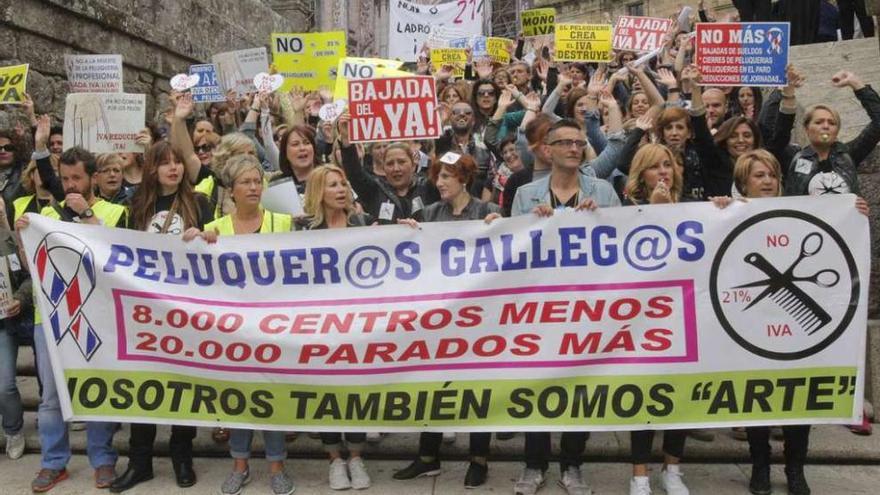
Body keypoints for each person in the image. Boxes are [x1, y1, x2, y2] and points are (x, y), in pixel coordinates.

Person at [712, 149, 864, 495]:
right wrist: (717, 212)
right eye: (758, 176)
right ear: (742, 182)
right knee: (756, 397)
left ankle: (796, 468)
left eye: (771, 175)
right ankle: (760, 465)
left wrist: (853, 216)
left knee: (799, 395)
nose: (767, 181)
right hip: (750, 325)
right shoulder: (729, 216)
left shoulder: (803, 214)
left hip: (796, 332)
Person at [512, 119, 621, 495]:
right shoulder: (526, 195)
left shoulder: (604, 192)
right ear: (547, 149)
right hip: (540, 310)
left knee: (580, 389)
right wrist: (527, 224)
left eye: (580, 143)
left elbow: (623, 244)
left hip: (588, 309)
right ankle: (533, 465)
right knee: (536, 386)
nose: (575, 149)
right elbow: (511, 250)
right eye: (566, 143)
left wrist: (603, 219)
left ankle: (572, 464)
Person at [16, 145, 126, 493]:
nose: (70, 185)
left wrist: (89, 217)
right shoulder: (47, 213)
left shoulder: (115, 211)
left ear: (93, 177)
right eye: (65, 179)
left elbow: (116, 256)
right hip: (48, 316)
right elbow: (29, 262)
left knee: (95, 388)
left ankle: (103, 460)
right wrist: (23, 236)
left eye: (77, 177)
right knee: (50, 395)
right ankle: (53, 463)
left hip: (94, 316)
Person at [109, 141, 214, 492]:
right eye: (165, 163)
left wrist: (204, 236)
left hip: (186, 310)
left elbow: (218, 248)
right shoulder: (134, 206)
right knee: (145, 386)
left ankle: (182, 456)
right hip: (145, 311)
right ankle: (140, 462)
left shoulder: (200, 203)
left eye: (178, 162)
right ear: (151, 169)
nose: (174, 168)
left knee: (183, 386)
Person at [394, 153, 500, 489]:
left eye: (446, 177)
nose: (439, 183)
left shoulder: (485, 213)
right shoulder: (428, 214)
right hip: (438, 320)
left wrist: (503, 227)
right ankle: (428, 457)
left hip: (477, 318)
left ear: (464, 179)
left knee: (477, 388)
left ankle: (479, 459)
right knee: (432, 386)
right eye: (437, 177)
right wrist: (409, 233)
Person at [197, 155, 295, 495]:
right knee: (238, 398)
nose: (254, 188)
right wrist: (194, 241)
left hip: (274, 327)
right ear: (232, 190)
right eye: (246, 183)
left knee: (271, 397)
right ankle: (240, 464)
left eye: (258, 181)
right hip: (233, 330)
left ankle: (277, 465)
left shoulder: (284, 223)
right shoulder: (218, 228)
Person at [296, 165, 372, 490]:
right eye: (332, 185)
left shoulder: (364, 223)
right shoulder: (302, 231)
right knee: (325, 394)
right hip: (319, 327)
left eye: (343, 183)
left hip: (359, 326)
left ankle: (355, 456)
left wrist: (407, 229)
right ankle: (334, 460)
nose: (341, 189)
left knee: (355, 393)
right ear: (317, 192)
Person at [621, 145, 689, 495]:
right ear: (641, 174)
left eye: (668, 165)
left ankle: (672, 469)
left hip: (681, 315)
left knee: (677, 393)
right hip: (640, 319)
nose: (663, 172)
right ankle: (640, 474)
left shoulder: (695, 210)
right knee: (643, 393)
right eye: (654, 167)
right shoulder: (624, 211)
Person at [784, 70, 880, 198]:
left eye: (832, 123)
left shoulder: (848, 154)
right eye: (819, 122)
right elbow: (776, 137)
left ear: (837, 130)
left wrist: (856, 84)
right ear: (806, 128)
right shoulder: (794, 157)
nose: (825, 126)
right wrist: (787, 93)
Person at [337, 112, 438, 224]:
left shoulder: (429, 187)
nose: (396, 168)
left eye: (401, 162)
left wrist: (440, 125)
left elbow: (449, 171)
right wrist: (346, 140)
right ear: (384, 169)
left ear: (413, 165)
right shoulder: (375, 191)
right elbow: (354, 173)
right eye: (390, 164)